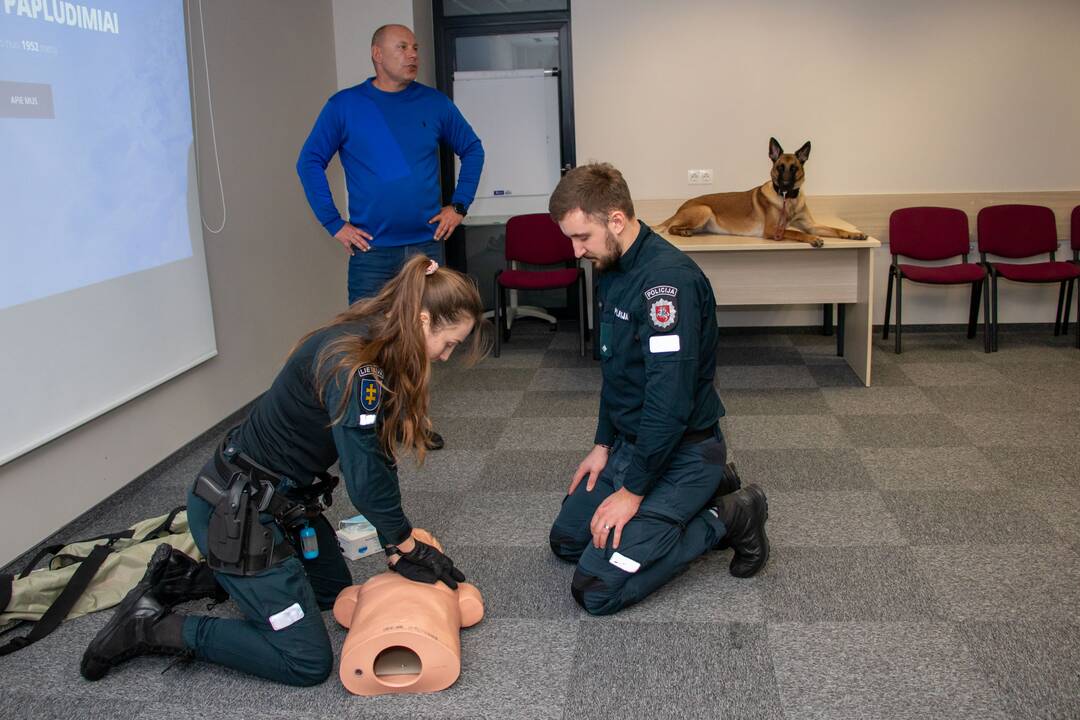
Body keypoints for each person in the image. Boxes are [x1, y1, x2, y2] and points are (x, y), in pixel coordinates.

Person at [81, 256, 488, 686]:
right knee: (305, 661)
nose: (446, 356)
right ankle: (150, 625)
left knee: (331, 594)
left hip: (285, 502)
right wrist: (407, 544)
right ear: (423, 319)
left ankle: (191, 578)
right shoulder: (355, 366)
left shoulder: (377, 341)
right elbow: (365, 476)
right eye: (450, 343)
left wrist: (393, 543)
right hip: (234, 513)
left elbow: (377, 457)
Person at [546, 163, 770, 616]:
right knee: (568, 540)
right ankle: (709, 489)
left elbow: (669, 404)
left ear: (616, 220)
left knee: (594, 589)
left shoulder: (668, 285)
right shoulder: (611, 264)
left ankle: (726, 515)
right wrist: (602, 443)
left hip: (682, 450)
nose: (576, 252)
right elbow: (617, 367)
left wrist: (632, 493)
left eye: (581, 237)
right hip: (635, 444)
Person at [296, 23, 484, 451]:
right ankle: (370, 422)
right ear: (377, 54)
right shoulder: (345, 106)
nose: (413, 54)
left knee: (426, 340)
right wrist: (334, 223)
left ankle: (413, 421)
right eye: (403, 47)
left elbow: (472, 148)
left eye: (415, 47)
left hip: (424, 248)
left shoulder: (434, 104)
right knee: (365, 340)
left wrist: (459, 205)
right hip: (371, 250)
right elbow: (309, 162)